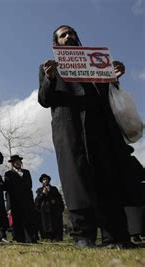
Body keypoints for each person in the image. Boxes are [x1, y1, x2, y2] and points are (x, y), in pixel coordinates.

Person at [38, 25, 135, 248]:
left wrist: (113, 77)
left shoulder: (95, 63)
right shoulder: (48, 68)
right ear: (56, 43)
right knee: (76, 182)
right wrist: (50, 78)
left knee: (106, 180)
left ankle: (115, 235)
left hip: (99, 129)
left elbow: (106, 96)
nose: (68, 36)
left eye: (71, 33)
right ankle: (83, 235)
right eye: (62, 35)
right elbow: (44, 99)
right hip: (70, 131)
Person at [4, 155, 38, 243]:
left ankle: (30, 238)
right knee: (17, 220)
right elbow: (7, 189)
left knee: (28, 219)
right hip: (15, 201)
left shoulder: (26, 172)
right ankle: (18, 238)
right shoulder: (8, 174)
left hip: (27, 200)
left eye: (19, 161)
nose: (17, 163)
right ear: (12, 164)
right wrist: (9, 206)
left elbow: (29, 185)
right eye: (15, 162)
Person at [34, 174, 64, 241]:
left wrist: (57, 203)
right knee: (45, 225)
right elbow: (37, 201)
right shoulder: (39, 190)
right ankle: (46, 237)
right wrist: (42, 193)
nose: (45, 180)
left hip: (54, 210)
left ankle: (56, 237)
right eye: (44, 179)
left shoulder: (54, 189)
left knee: (55, 224)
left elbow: (59, 198)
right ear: (42, 181)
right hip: (44, 211)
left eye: (46, 179)